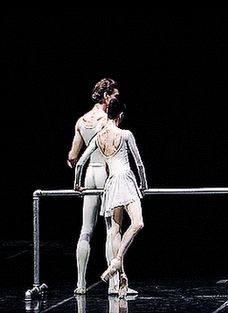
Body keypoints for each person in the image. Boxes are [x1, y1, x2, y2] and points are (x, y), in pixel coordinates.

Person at [67, 78, 137, 295]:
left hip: (89, 174)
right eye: (114, 95)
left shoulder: (81, 120)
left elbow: (72, 156)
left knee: (85, 230)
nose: (116, 99)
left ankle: (80, 284)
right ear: (107, 96)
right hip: (106, 175)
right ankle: (115, 285)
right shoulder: (107, 121)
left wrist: (76, 174)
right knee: (111, 230)